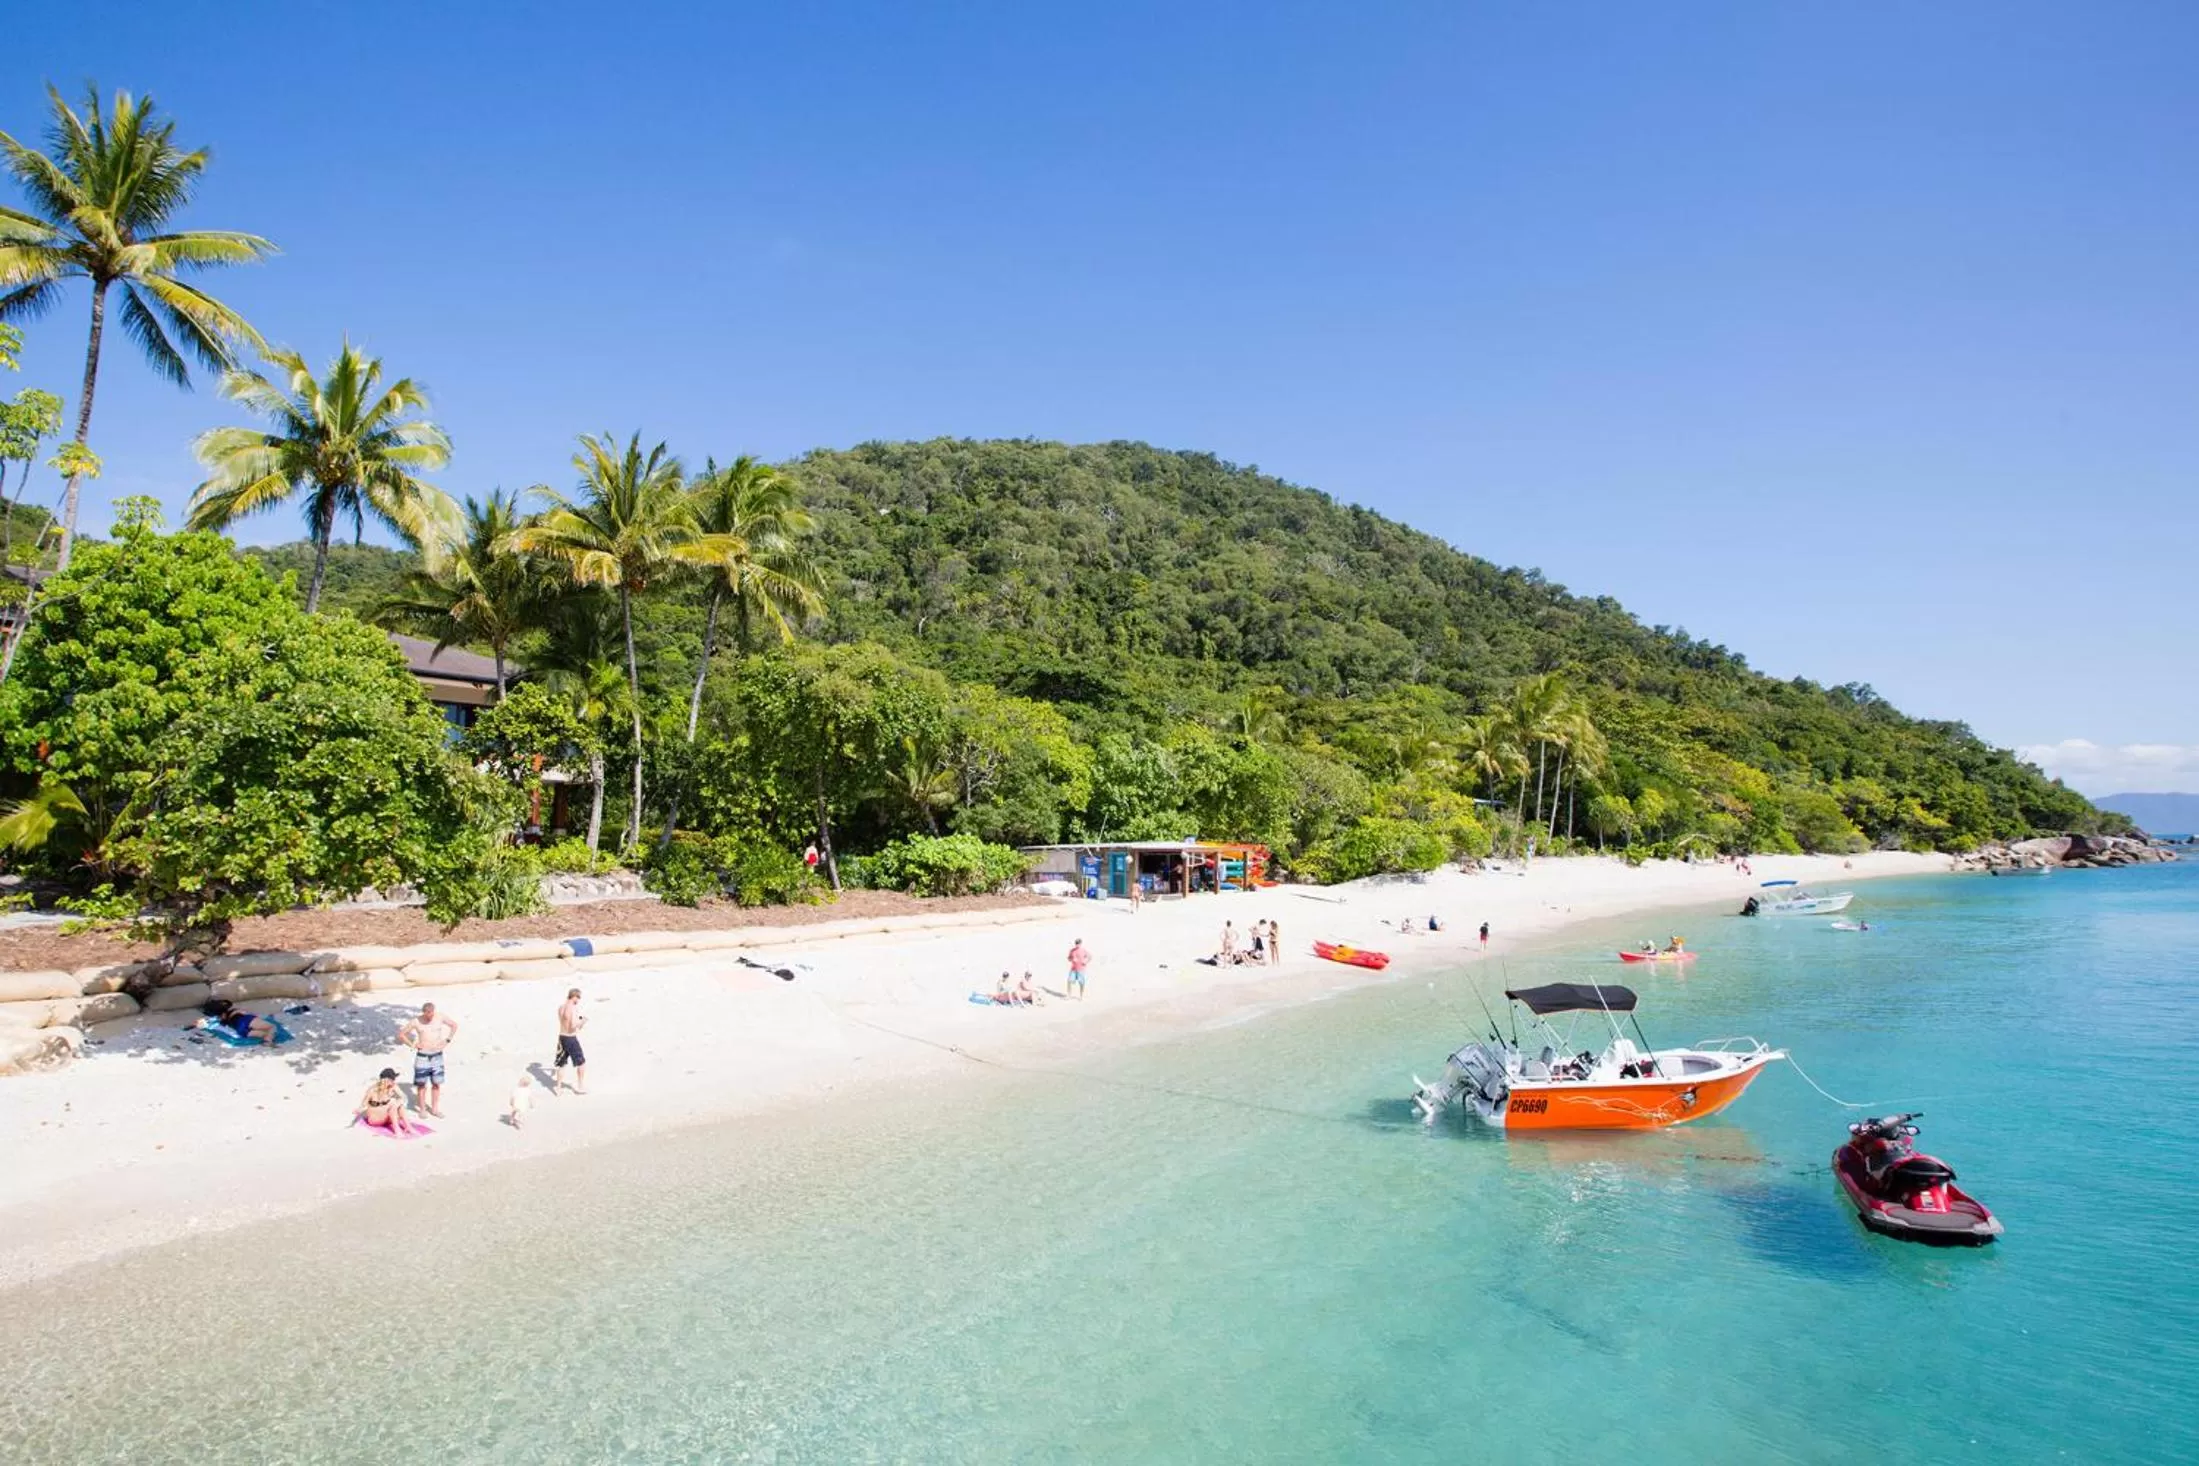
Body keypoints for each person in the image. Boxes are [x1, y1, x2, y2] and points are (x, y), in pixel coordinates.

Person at [397, 1001, 459, 1118]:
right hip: (423, 1056)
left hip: (437, 1055)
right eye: (427, 1014)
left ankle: (435, 1109)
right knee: (421, 1085)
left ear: (433, 1011)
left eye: (431, 1014)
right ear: (424, 1012)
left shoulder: (440, 1017)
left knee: (436, 1083)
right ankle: (422, 1109)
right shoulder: (416, 1021)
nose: (429, 1017)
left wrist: (448, 1040)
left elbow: (454, 1025)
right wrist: (413, 1045)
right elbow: (401, 1034)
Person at [356, 1068, 417, 1135]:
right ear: (388, 1080)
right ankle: (397, 1130)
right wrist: (359, 1109)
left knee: (399, 1105)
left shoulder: (392, 1086)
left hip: (385, 1117)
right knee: (393, 1105)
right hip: (374, 1119)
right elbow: (364, 1103)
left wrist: (399, 1102)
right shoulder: (373, 1089)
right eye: (393, 1079)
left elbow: (404, 1097)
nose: (394, 1081)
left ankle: (408, 1127)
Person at [555, 988, 588, 1094]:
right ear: (575, 996)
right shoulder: (573, 1008)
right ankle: (580, 1086)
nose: (578, 1000)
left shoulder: (561, 1008)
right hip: (571, 1038)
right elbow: (573, 1026)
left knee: (561, 1064)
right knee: (581, 1063)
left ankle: (558, 1088)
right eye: (579, 998)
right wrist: (582, 1022)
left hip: (562, 1037)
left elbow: (565, 1022)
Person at [202, 1000, 278, 1045]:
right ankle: (268, 1040)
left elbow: (222, 1022)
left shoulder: (221, 1019)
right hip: (245, 1020)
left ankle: (266, 1038)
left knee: (263, 1033)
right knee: (271, 1027)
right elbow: (245, 1013)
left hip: (239, 1029)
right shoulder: (234, 1011)